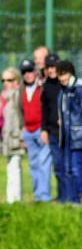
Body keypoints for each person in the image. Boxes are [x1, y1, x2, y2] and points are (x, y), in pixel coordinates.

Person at [19, 59, 52, 202]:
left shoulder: (42, 87)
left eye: (30, 70)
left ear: (35, 71)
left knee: (44, 162)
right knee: (33, 164)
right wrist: (22, 131)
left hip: (41, 129)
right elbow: (20, 111)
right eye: (25, 72)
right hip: (28, 130)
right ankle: (37, 195)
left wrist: (46, 128)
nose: (28, 74)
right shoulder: (21, 90)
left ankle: (44, 196)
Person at [0, 67, 24, 203]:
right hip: (6, 136)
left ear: (17, 80)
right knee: (10, 168)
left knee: (15, 167)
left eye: (9, 80)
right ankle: (10, 198)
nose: (6, 83)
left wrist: (21, 136)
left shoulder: (17, 95)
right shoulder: (3, 96)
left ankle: (16, 200)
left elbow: (21, 117)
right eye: (3, 80)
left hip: (16, 136)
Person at [40, 53, 66, 202]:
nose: (50, 70)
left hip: (67, 132)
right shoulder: (47, 86)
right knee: (58, 167)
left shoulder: (66, 84)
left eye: (53, 67)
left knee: (70, 166)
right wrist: (44, 129)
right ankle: (62, 197)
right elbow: (45, 109)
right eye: (48, 67)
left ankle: (73, 196)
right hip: (53, 133)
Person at [56, 60, 82, 203]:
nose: (61, 78)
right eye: (59, 75)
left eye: (63, 74)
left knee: (76, 169)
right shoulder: (64, 90)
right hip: (66, 137)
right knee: (67, 170)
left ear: (70, 72)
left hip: (78, 138)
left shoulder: (78, 89)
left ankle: (79, 198)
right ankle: (72, 201)